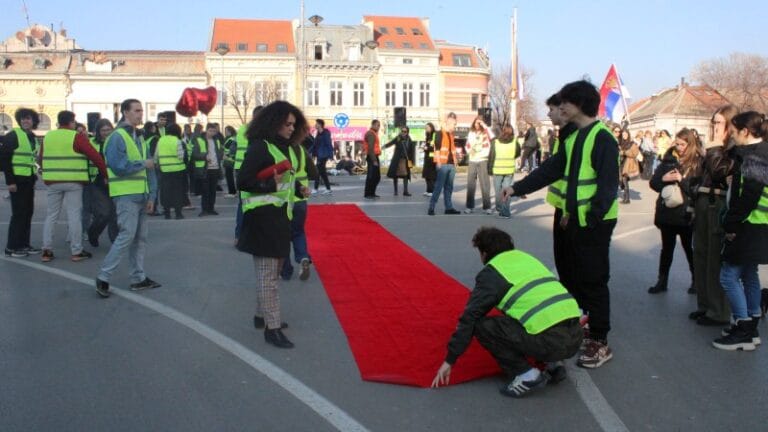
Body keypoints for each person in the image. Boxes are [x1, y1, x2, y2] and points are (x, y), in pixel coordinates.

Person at [502, 80, 619, 368]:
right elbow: (552, 169)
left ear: (580, 104)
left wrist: (592, 219)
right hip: (571, 219)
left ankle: (600, 341)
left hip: (592, 223)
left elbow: (607, 186)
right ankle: (581, 324)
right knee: (572, 277)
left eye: (566, 101)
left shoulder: (601, 138)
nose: (561, 106)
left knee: (593, 280)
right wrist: (518, 188)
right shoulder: (575, 136)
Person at [431, 227, 582, 397]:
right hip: (576, 336)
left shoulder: (493, 273)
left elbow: (470, 317)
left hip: (551, 343)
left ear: (484, 254)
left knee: (482, 326)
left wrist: (450, 360)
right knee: (527, 312)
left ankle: (526, 374)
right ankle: (554, 364)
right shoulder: (526, 258)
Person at [237, 100, 308, 349]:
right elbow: (242, 181)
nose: (291, 128)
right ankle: (272, 328)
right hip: (262, 220)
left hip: (279, 218)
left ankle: (261, 316)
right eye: (287, 124)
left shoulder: (284, 147)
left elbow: (285, 180)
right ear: (273, 123)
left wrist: (299, 188)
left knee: (273, 272)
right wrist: (270, 185)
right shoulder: (259, 147)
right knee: (268, 277)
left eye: (293, 124)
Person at [713, 111, 768, 351]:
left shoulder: (756, 157)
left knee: (728, 276)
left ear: (745, 131)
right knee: (749, 274)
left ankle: (743, 327)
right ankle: (751, 324)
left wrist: (731, 224)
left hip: (748, 225)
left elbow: (749, 196)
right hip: (757, 225)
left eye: (734, 132)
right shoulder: (759, 152)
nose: (732, 136)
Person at [95, 99, 160, 298]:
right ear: (125, 112)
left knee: (139, 238)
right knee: (127, 236)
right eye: (137, 111)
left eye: (142, 111)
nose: (141, 114)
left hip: (140, 195)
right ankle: (103, 277)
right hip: (125, 196)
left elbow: (150, 171)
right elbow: (118, 166)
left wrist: (151, 196)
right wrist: (143, 163)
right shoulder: (117, 137)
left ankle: (138, 278)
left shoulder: (138, 137)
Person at [689, 105, 738, 326]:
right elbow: (700, 175)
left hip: (718, 203)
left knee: (714, 259)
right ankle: (705, 305)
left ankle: (718, 311)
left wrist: (715, 148)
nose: (714, 127)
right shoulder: (712, 147)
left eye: (719, 123)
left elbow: (721, 172)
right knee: (700, 254)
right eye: (713, 122)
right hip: (702, 201)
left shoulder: (732, 149)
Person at [39, 110, 107, 263]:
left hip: (52, 181)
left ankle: (46, 250)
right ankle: (76, 250)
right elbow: (94, 156)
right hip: (73, 182)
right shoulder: (76, 136)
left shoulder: (48, 136)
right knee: (74, 215)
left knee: (51, 215)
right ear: (71, 122)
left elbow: (41, 157)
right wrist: (105, 174)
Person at [647, 129, 703, 294]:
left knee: (689, 249)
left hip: (686, 213)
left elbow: (696, 190)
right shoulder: (668, 159)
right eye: (677, 143)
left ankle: (695, 280)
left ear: (690, 144)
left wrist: (682, 180)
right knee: (667, 249)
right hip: (668, 213)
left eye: (682, 144)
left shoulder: (697, 162)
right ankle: (662, 281)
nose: (679, 147)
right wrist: (663, 179)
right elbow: (654, 183)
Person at [1, 108, 41, 257]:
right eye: (23, 118)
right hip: (17, 181)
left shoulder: (32, 137)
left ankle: (24, 244)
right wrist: (10, 181)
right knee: (18, 214)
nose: (25, 121)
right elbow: (4, 159)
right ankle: (12, 247)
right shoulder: (13, 135)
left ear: (33, 121)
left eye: (28, 118)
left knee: (27, 213)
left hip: (28, 180)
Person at [280, 128, 319, 281]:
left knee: (283, 235)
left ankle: (286, 270)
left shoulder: (280, 151)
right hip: (301, 199)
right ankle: (303, 257)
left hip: (285, 199)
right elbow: (315, 173)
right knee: (298, 232)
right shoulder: (302, 151)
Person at [85, 119, 119, 247]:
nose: (106, 133)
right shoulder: (91, 143)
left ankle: (115, 240)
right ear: (98, 132)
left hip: (114, 181)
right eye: (103, 130)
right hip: (97, 182)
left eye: (108, 130)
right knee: (104, 213)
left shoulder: (116, 142)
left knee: (115, 213)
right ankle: (93, 232)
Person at [428, 112, 461, 215]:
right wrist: (438, 162)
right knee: (438, 187)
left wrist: (455, 160)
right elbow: (437, 149)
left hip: (451, 165)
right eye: (454, 124)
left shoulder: (451, 135)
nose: (455, 126)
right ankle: (431, 207)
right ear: (448, 123)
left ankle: (449, 208)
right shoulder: (439, 133)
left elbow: (452, 150)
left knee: (449, 187)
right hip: (442, 164)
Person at [155, 123, 187, 219]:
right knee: (177, 192)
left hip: (164, 170)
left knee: (165, 192)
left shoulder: (161, 140)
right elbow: (181, 156)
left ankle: (167, 213)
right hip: (178, 170)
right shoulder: (177, 141)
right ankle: (178, 213)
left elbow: (156, 155)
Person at [464, 116, 494, 214]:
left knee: (485, 184)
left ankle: (487, 207)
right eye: (476, 123)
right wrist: (469, 150)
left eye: (479, 123)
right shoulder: (471, 133)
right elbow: (467, 144)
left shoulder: (486, 131)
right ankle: (469, 206)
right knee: (471, 184)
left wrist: (484, 125)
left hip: (483, 160)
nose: (477, 125)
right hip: (473, 160)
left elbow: (492, 137)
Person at [192, 123, 223, 216]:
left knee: (213, 190)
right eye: (210, 131)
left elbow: (219, 152)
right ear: (206, 130)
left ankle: (211, 208)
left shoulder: (217, 141)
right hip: (205, 168)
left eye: (214, 131)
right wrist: (204, 157)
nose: (212, 133)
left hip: (215, 168)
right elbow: (194, 154)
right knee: (205, 190)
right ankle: (204, 210)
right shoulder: (199, 140)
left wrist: (220, 156)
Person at [488, 124, 517, 219]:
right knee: (507, 191)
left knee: (498, 192)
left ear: (503, 131)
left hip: (497, 169)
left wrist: (489, 169)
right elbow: (518, 152)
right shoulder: (514, 142)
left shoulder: (495, 142)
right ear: (512, 132)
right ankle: (505, 212)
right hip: (509, 170)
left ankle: (500, 208)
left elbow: (491, 156)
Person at [384, 125, 415, 196]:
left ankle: (405, 191)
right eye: (402, 131)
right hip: (397, 159)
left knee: (406, 176)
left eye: (405, 131)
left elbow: (411, 152)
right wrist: (384, 146)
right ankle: (395, 191)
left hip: (406, 160)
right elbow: (392, 142)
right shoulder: (398, 138)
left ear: (407, 132)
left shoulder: (409, 140)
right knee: (395, 175)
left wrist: (411, 163)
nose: (403, 133)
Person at [311, 119, 333, 195]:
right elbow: (315, 145)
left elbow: (329, 144)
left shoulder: (326, 133)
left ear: (320, 124)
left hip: (323, 155)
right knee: (322, 173)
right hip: (319, 155)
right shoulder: (318, 133)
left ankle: (315, 189)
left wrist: (331, 155)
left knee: (317, 171)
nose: (315, 125)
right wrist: (313, 153)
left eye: (316, 124)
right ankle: (328, 189)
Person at [618, 129, 640, 204]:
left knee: (624, 180)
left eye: (626, 134)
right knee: (621, 181)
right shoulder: (620, 143)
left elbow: (635, 154)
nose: (624, 136)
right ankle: (625, 197)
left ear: (628, 135)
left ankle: (627, 199)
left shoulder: (632, 143)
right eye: (623, 134)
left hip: (627, 164)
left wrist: (624, 152)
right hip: (620, 163)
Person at [363, 119, 382, 199]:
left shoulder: (373, 133)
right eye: (378, 125)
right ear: (373, 125)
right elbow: (370, 148)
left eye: (379, 125)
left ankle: (372, 193)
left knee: (376, 176)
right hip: (372, 157)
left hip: (374, 156)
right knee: (372, 176)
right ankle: (368, 194)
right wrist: (374, 160)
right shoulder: (371, 134)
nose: (379, 127)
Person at [421, 122, 437, 196]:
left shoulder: (434, 135)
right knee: (426, 174)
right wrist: (424, 147)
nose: (426, 129)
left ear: (431, 127)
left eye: (427, 128)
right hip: (427, 157)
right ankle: (428, 190)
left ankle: (432, 191)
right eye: (425, 128)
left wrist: (427, 148)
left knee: (431, 175)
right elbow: (427, 145)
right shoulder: (427, 136)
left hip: (432, 158)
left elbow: (434, 146)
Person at [222, 125, 238, 197]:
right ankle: (232, 191)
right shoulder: (233, 138)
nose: (225, 132)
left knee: (229, 176)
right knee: (230, 176)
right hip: (230, 159)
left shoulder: (230, 139)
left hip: (228, 160)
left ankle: (232, 192)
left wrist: (226, 155)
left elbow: (229, 150)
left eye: (226, 131)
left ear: (230, 131)